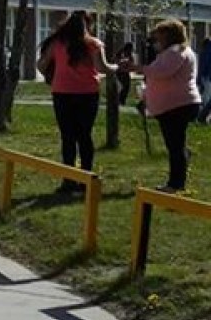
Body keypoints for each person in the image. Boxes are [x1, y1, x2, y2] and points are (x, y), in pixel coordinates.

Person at [36, 10, 117, 194]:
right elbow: (101, 67)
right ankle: (86, 178)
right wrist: (117, 67)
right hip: (87, 94)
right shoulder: (93, 44)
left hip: (62, 93)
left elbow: (40, 65)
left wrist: (54, 75)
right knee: (84, 136)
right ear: (87, 24)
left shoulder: (57, 43)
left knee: (68, 136)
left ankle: (68, 179)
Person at [119, 20, 201, 191]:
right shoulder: (174, 52)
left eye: (159, 37)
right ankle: (182, 163)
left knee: (174, 146)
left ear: (169, 36)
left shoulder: (176, 51)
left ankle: (175, 183)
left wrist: (138, 67)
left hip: (177, 105)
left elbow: (161, 72)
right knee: (176, 144)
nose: (156, 42)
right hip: (176, 104)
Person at [115, 42, 135, 107]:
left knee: (126, 87)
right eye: (131, 48)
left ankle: (122, 101)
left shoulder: (129, 55)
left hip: (125, 72)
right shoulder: (121, 53)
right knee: (122, 87)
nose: (132, 50)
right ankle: (119, 101)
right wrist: (123, 62)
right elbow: (117, 61)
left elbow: (131, 63)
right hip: (120, 73)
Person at [198, 37, 211, 124]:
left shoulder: (205, 51)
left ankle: (203, 115)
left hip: (206, 76)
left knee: (207, 97)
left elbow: (202, 65)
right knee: (207, 97)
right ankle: (203, 115)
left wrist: (199, 79)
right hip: (208, 75)